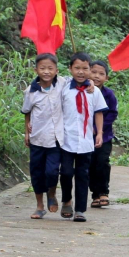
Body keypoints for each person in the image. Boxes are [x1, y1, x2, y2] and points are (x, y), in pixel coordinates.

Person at [60, 52, 108, 222]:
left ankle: (80, 210)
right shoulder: (64, 87)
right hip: (66, 139)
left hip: (86, 140)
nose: (81, 72)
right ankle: (66, 199)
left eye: (85, 69)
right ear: (70, 69)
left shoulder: (93, 91)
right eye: (77, 68)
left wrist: (100, 133)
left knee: (82, 175)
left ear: (90, 69)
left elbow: (98, 112)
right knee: (65, 172)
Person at [21, 53, 64, 219]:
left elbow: (79, 80)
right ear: (36, 70)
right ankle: (39, 206)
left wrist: (88, 83)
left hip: (56, 138)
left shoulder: (62, 84)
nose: (46, 71)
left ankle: (51, 193)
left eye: (50, 68)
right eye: (42, 68)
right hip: (37, 138)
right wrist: (27, 131)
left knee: (52, 172)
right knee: (37, 172)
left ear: (56, 70)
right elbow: (26, 112)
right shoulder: (30, 92)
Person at [89, 60, 118, 208]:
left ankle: (104, 192)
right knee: (90, 164)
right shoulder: (83, 91)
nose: (96, 76)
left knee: (102, 162)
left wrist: (99, 127)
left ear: (106, 78)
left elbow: (113, 113)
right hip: (86, 136)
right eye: (93, 72)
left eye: (101, 74)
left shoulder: (109, 94)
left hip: (104, 136)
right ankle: (95, 194)